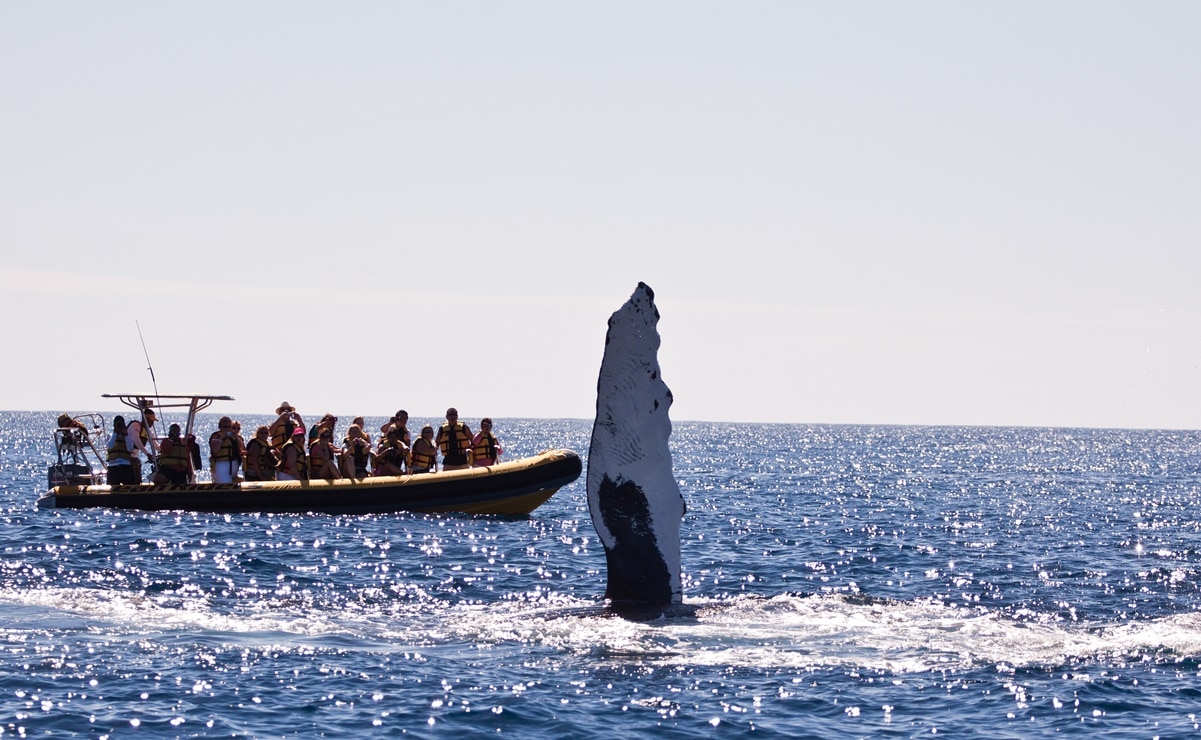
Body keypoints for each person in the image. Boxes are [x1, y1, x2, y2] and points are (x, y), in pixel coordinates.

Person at [127, 406, 159, 483]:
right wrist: (147, 453)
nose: (152, 423)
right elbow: (136, 440)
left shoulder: (148, 431)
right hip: (126, 458)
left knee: (137, 480)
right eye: (151, 421)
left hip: (134, 458)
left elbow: (155, 445)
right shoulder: (135, 425)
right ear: (145, 419)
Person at [105, 416, 137, 486]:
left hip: (126, 466)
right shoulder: (110, 435)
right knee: (112, 488)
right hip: (113, 466)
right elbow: (110, 446)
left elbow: (130, 448)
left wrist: (126, 435)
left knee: (130, 486)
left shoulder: (128, 435)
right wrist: (115, 433)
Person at [209, 416, 240, 484]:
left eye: (229, 427)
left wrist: (236, 437)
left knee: (236, 483)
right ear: (220, 427)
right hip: (222, 465)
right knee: (226, 484)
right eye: (225, 427)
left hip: (234, 465)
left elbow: (241, 448)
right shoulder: (216, 436)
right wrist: (221, 438)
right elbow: (215, 450)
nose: (227, 429)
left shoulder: (233, 437)